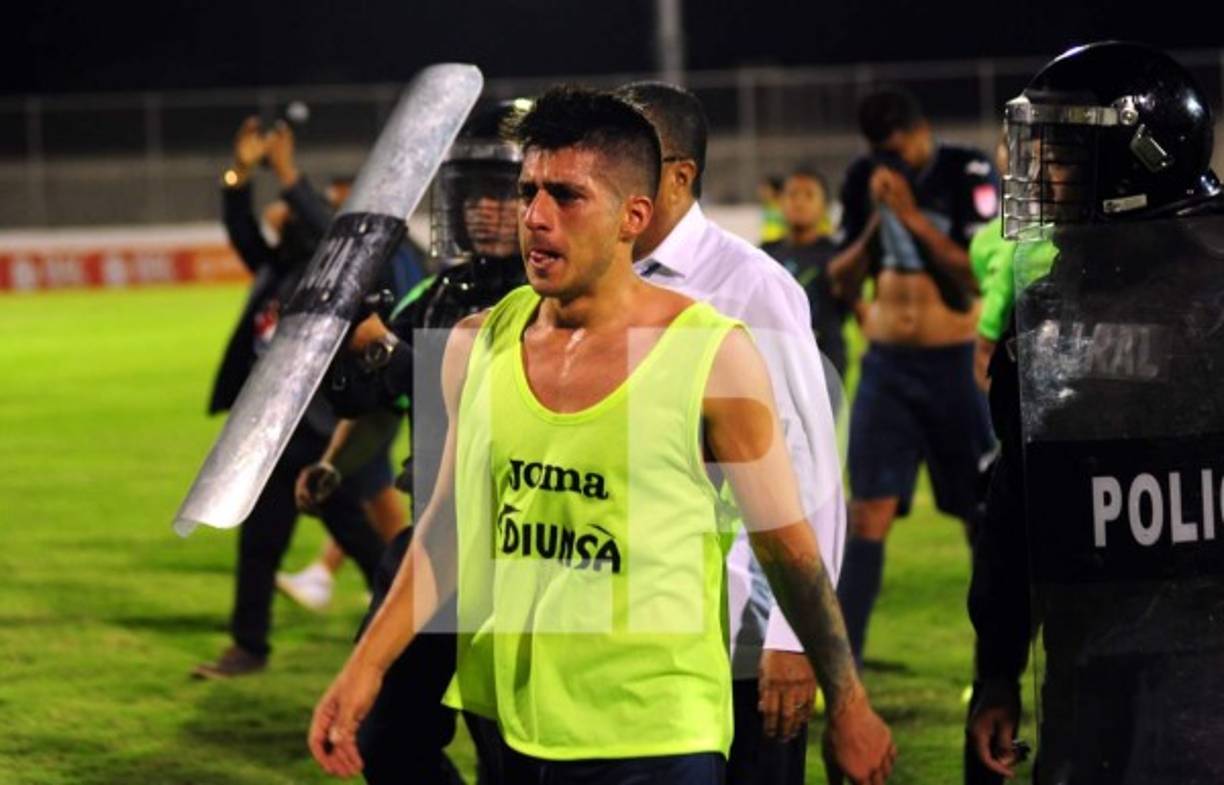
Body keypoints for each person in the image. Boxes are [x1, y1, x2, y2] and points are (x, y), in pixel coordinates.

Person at [308, 85, 894, 784]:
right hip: (516, 722)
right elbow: (450, 528)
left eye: (566, 195)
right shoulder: (476, 344)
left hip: (655, 729)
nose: (534, 217)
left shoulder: (714, 354)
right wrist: (363, 667)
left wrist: (847, 697)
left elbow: (790, 544)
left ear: (632, 215)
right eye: (528, 191)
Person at [967, 41, 1224, 783]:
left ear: (1136, 158)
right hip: (1089, 658)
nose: (1038, 173)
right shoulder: (1048, 303)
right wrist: (997, 668)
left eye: (1064, 151)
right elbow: (1016, 501)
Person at [618, 81, 846, 785]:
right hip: (632, 632)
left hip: (739, 637)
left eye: (622, 157)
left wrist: (791, 635)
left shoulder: (752, 286)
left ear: (679, 175)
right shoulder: (597, 276)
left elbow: (809, 469)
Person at [297, 99, 529, 784]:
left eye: (504, 196)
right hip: (427, 538)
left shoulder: (547, 296)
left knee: (510, 749)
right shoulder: (431, 295)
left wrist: (383, 353)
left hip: (511, 549)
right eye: (475, 196)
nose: (486, 211)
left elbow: (489, 392)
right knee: (386, 737)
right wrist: (334, 461)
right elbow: (378, 401)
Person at [192, 117, 389, 679]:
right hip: (270, 433)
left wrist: (285, 173)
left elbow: (332, 227)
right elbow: (241, 230)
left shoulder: (332, 276)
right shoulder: (276, 269)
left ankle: (411, 624)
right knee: (263, 541)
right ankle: (248, 647)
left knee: (357, 536)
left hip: (316, 431)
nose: (283, 219)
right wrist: (240, 175)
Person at [828, 86, 998, 667]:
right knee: (866, 511)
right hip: (887, 367)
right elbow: (841, 280)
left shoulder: (965, 170)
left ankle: (996, 658)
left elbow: (972, 280)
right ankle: (844, 667)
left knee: (981, 513)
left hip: (954, 365)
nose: (892, 164)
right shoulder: (864, 178)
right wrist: (878, 222)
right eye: (882, 153)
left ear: (921, 130)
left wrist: (907, 215)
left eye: (899, 151)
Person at [762, 166, 851, 404]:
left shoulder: (838, 255)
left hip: (824, 363)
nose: (799, 202)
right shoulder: (763, 253)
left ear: (824, 206)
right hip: (775, 364)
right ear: (780, 202)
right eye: (792, 195)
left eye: (809, 195)